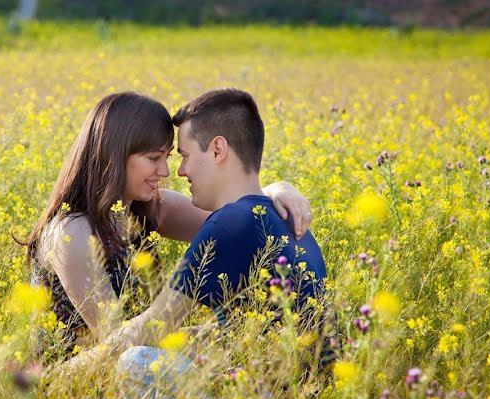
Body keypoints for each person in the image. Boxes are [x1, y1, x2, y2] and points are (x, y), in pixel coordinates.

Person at [21, 91, 315, 362]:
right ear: (114, 154)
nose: (164, 172)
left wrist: (279, 190)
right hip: (77, 384)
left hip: (141, 366)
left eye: (168, 157)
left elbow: (243, 220)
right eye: (153, 159)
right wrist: (220, 336)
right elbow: (116, 341)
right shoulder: (71, 232)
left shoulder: (152, 210)